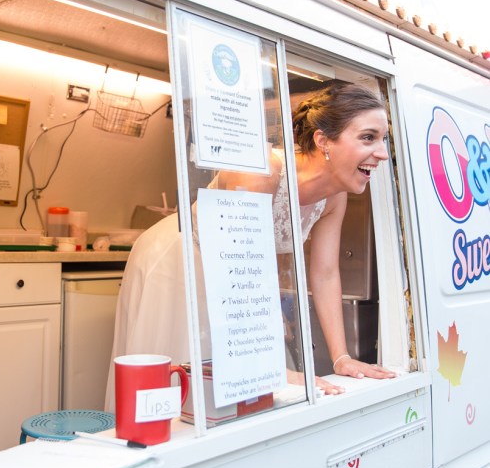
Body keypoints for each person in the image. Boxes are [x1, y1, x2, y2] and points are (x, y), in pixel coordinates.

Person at [106, 83, 394, 410]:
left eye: (383, 139)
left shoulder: (334, 196)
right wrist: (270, 366)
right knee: (182, 377)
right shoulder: (261, 171)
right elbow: (236, 271)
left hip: (239, 281)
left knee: (244, 388)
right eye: (368, 137)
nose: (382, 153)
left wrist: (342, 358)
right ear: (323, 141)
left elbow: (326, 274)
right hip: (180, 259)